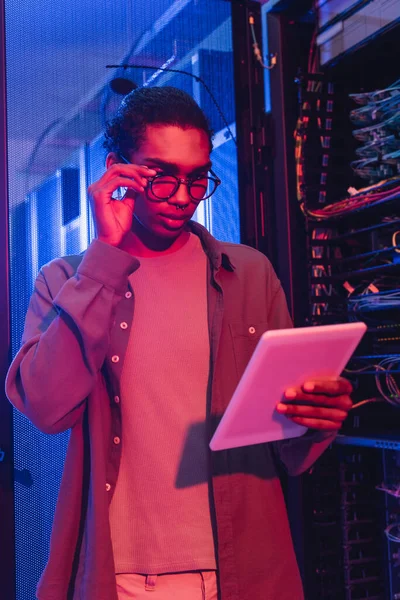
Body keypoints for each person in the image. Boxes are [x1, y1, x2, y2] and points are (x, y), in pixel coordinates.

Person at [6, 86, 353, 600]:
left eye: (196, 179)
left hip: (243, 572)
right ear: (116, 172)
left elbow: (289, 450)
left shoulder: (249, 275)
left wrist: (315, 418)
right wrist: (104, 255)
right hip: (121, 577)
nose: (181, 196)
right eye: (160, 176)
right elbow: (47, 408)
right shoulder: (66, 280)